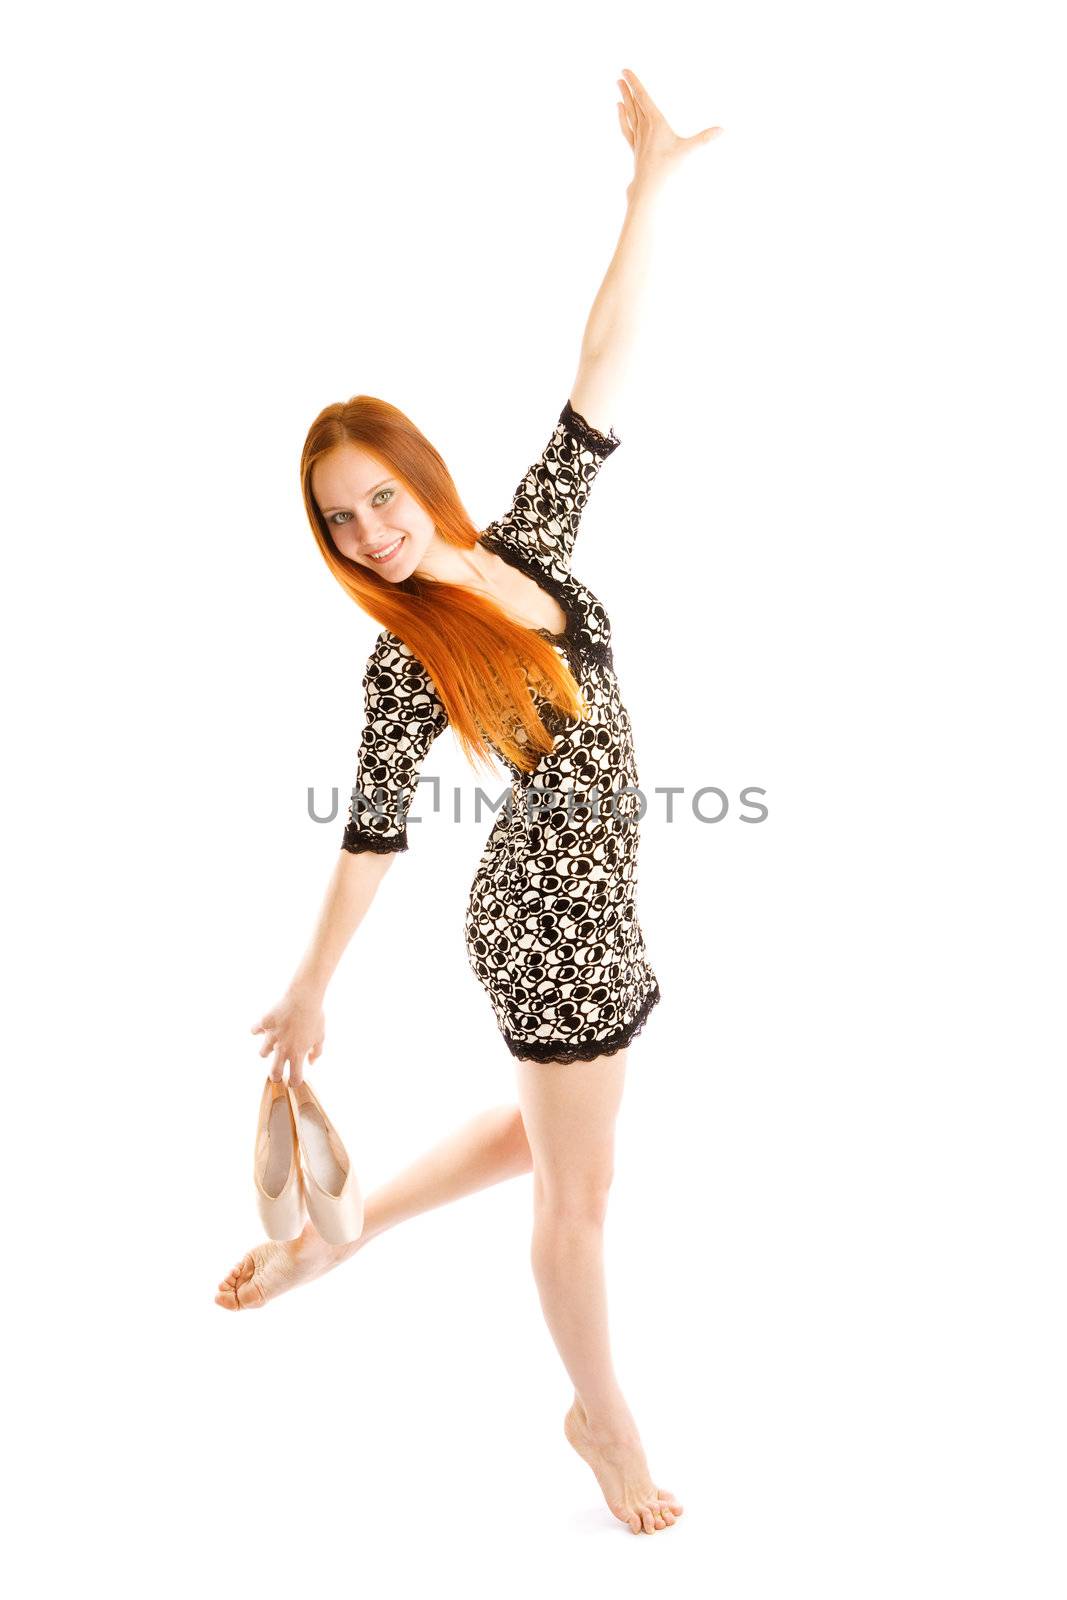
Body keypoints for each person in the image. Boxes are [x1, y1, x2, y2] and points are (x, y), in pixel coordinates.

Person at [216, 68, 722, 1537]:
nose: (372, 531)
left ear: (419, 480)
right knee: (578, 1200)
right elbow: (371, 831)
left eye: (382, 496)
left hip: (605, 906)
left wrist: (652, 187)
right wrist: (310, 986)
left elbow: (603, 362)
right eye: (345, 521)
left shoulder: (527, 546)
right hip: (542, 922)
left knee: (546, 1138)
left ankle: (343, 1238)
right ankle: (604, 1423)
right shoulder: (405, 661)